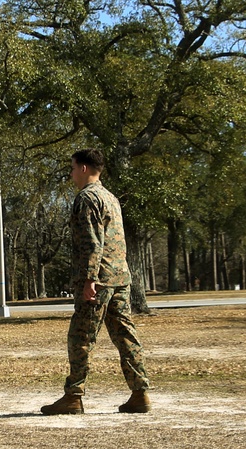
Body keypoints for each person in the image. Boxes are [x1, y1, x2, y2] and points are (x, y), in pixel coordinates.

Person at [41, 148, 151, 415]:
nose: (70, 174)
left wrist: (89, 279)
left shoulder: (87, 199)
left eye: (71, 168)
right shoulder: (110, 197)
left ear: (83, 169)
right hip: (119, 278)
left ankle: (73, 396)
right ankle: (140, 393)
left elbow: (92, 243)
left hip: (98, 280)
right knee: (125, 335)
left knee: (80, 338)